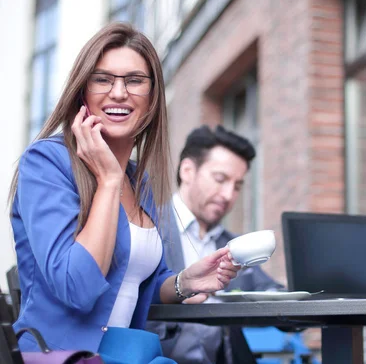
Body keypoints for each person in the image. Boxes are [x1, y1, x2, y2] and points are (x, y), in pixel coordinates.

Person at [8, 22, 240, 363]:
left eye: (134, 80)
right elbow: (78, 288)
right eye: (103, 79)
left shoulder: (139, 181)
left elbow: (130, 281)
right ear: (82, 92)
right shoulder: (46, 163)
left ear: (152, 99)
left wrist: (184, 282)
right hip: (64, 354)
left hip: (125, 351)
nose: (118, 93)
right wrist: (108, 181)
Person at [147, 125, 283, 364]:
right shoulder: (147, 228)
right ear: (187, 170)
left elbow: (274, 293)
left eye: (238, 186)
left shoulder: (234, 245)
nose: (228, 194)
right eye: (220, 179)